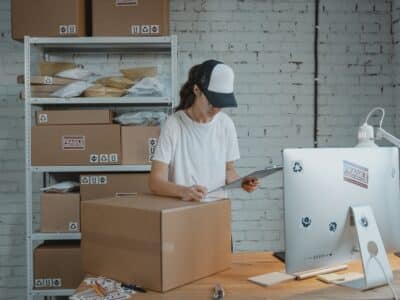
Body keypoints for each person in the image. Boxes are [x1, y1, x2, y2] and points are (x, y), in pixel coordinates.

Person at [149, 59, 259, 201]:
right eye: (212, 102)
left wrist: (242, 182)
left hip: (217, 208)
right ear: (197, 90)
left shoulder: (226, 124)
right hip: (181, 209)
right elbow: (155, 182)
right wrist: (184, 191)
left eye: (221, 104)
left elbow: (229, 170)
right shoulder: (174, 124)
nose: (216, 109)